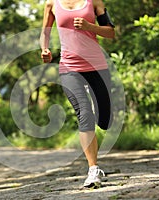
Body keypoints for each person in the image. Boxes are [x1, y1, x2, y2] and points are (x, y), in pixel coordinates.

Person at [40, 0, 115, 188]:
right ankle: (93, 169)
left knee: (104, 118)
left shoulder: (94, 2)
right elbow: (45, 32)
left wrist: (90, 26)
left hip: (97, 66)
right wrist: (45, 49)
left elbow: (111, 32)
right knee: (84, 113)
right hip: (69, 67)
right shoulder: (51, 4)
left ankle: (103, 119)